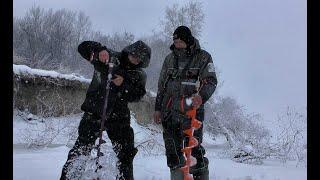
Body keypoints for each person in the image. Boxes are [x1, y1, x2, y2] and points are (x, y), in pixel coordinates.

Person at [60, 40, 151, 180]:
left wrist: (123, 84)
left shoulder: (139, 74)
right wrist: (99, 49)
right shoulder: (110, 57)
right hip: (94, 110)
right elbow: (82, 47)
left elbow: (137, 95)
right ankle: (70, 177)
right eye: (134, 54)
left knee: (126, 152)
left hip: (119, 116)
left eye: (139, 58)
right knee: (81, 149)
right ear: (129, 51)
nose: (135, 58)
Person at [153, 26, 217, 180]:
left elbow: (210, 81)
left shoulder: (203, 57)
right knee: (172, 151)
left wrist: (201, 96)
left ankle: (200, 175)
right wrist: (157, 109)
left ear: (188, 40)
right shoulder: (169, 59)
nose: (177, 43)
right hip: (169, 110)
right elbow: (161, 86)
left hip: (191, 111)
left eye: (180, 40)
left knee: (193, 150)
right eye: (175, 40)